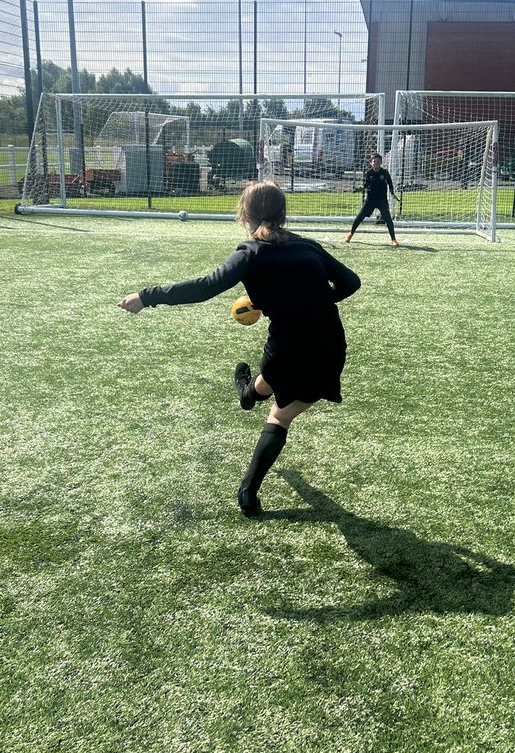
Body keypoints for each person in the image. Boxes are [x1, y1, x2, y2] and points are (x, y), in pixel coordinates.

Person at [117, 181, 361, 516]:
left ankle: (248, 479)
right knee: (283, 407)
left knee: (277, 409)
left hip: (286, 348)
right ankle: (248, 408)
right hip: (329, 346)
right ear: (283, 213)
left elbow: (204, 287)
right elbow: (351, 283)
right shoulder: (310, 247)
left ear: (244, 214)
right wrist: (310, 302)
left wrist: (147, 296)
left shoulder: (250, 253)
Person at [346, 152, 398, 246]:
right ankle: (350, 234)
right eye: (374, 161)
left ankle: (393, 239)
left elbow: (390, 183)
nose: (376, 163)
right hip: (370, 200)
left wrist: (392, 192)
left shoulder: (385, 173)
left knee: (388, 219)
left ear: (381, 162)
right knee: (359, 217)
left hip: (382, 200)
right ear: (371, 163)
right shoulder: (369, 173)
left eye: (378, 161)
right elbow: (366, 184)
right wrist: (360, 188)